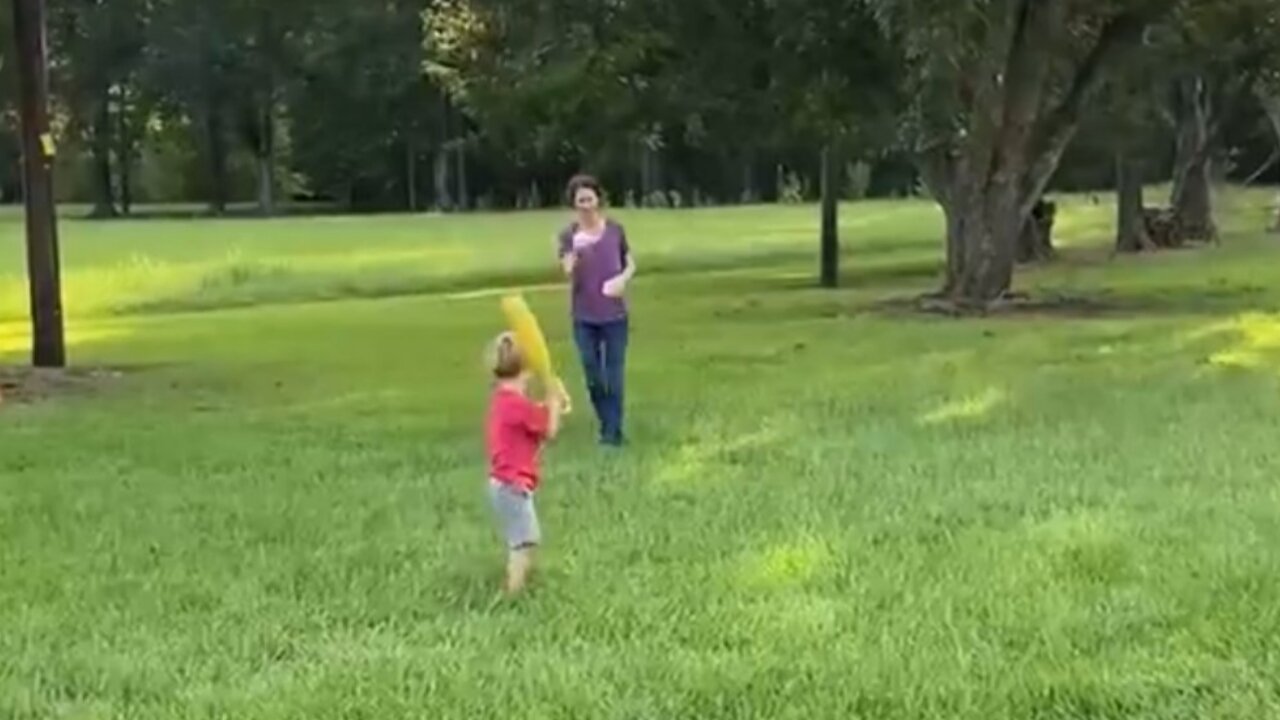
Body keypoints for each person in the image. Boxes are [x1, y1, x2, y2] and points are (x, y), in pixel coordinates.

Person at [484, 332, 568, 596]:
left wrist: (553, 406)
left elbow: (535, 420)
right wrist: (553, 402)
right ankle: (514, 592)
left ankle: (523, 581)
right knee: (522, 542)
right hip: (513, 485)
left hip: (504, 483)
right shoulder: (517, 406)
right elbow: (550, 431)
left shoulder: (503, 402)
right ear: (527, 371)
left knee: (526, 538)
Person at [556, 174, 636, 446]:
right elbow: (566, 269)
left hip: (615, 315)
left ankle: (612, 434)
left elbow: (630, 263)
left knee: (613, 376)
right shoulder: (569, 236)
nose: (586, 205)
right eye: (581, 201)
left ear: (598, 200)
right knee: (593, 376)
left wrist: (621, 281)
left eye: (590, 199)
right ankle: (608, 424)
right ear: (574, 204)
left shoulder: (615, 230)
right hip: (584, 317)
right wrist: (574, 256)